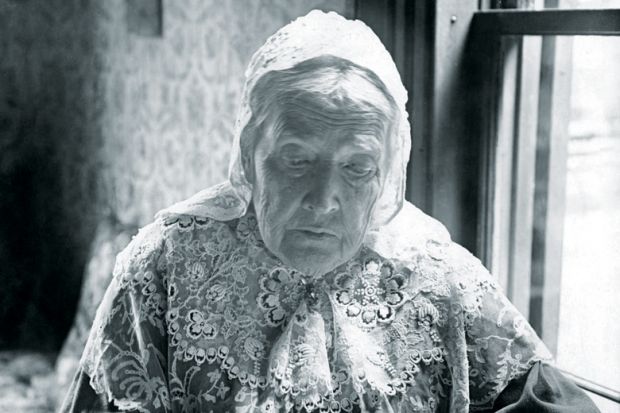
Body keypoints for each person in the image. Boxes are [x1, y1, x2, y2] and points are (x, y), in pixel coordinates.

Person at [60, 10, 600, 413]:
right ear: (250, 155)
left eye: (357, 168)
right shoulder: (165, 263)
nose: (323, 199)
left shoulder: (444, 280)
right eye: (296, 159)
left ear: (388, 173)